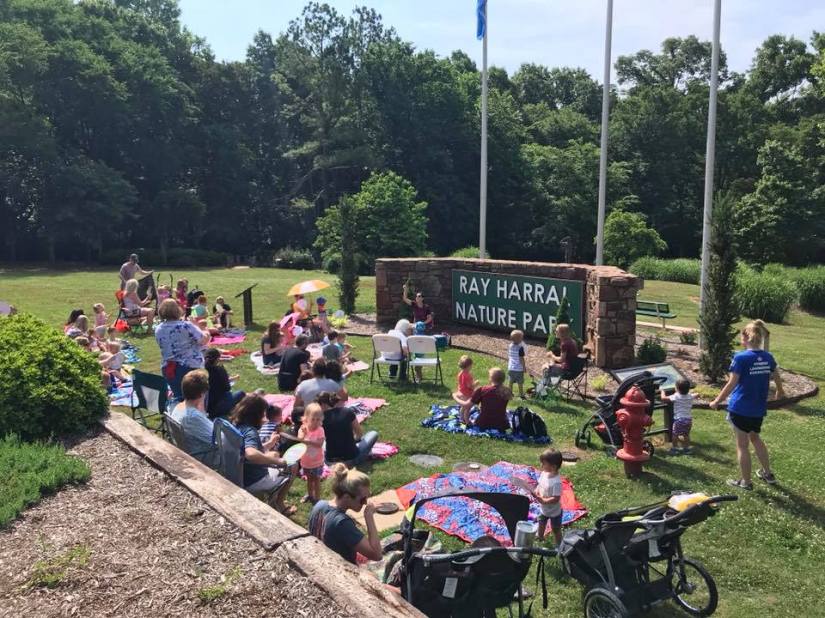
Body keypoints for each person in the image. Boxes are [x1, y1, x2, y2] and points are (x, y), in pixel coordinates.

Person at [710, 320, 784, 491]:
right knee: (755, 438)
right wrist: (780, 391)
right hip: (758, 409)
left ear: (746, 337)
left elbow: (731, 384)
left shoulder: (741, 357)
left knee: (742, 445)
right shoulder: (768, 357)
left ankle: (746, 482)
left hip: (740, 408)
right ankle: (767, 473)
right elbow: (776, 373)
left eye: (741, 337)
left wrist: (716, 401)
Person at [230, 394, 295, 515]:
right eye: (263, 414)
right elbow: (251, 453)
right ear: (257, 415)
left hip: (239, 473)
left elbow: (245, 450)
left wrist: (269, 444)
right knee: (293, 464)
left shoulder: (236, 424)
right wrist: (277, 462)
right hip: (254, 480)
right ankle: (279, 504)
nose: (265, 417)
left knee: (274, 453)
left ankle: (276, 501)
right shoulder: (251, 432)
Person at [308, 464, 382, 564]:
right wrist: (369, 517)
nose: (365, 502)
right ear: (347, 497)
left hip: (322, 560)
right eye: (363, 499)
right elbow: (377, 555)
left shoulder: (319, 505)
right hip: (341, 571)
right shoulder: (342, 523)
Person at [155, 298, 210, 401]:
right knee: (195, 399)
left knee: (179, 397)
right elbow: (203, 340)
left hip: (168, 367)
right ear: (177, 310)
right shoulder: (185, 326)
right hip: (188, 367)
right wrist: (200, 328)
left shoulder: (158, 328)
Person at [170, 369, 219, 468]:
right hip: (205, 456)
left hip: (191, 449)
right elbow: (218, 440)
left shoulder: (178, 407)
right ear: (201, 394)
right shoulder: (192, 416)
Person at [317, 392, 378, 467]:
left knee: (322, 444)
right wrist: (353, 441)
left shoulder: (320, 419)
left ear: (322, 404)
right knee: (373, 433)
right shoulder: (347, 411)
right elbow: (359, 434)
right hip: (352, 459)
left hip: (331, 461)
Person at [531, 449, 564, 547]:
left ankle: (559, 545)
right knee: (541, 523)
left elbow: (556, 498)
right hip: (543, 509)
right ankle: (540, 536)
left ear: (553, 467)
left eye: (544, 464)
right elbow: (540, 484)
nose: (541, 466)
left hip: (554, 512)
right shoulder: (544, 473)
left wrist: (544, 501)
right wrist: (536, 490)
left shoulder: (556, 482)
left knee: (556, 529)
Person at [203, 347, 245, 419]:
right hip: (217, 408)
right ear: (217, 359)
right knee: (241, 393)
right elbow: (227, 388)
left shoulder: (200, 371)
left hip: (203, 407)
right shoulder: (219, 370)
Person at [297, 403, 326, 504]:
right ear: (306, 418)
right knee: (309, 479)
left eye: (318, 419)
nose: (315, 422)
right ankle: (310, 494)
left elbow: (320, 444)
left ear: (321, 419)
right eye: (313, 419)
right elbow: (300, 439)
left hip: (317, 461)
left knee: (317, 480)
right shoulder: (303, 428)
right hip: (306, 461)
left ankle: (317, 498)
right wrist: (304, 434)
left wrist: (309, 441)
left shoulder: (320, 430)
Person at [661, 379, 695, 455]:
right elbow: (695, 394)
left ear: (677, 388)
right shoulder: (690, 396)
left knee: (675, 434)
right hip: (688, 420)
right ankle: (687, 449)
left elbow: (663, 399)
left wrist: (662, 391)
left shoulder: (676, 396)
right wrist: (695, 394)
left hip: (679, 420)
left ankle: (674, 448)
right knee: (686, 435)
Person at [507, 329, 528, 398]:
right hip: (518, 369)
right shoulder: (520, 348)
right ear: (519, 339)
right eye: (521, 337)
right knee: (520, 382)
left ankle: (509, 393)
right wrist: (524, 367)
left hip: (510, 368)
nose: (522, 339)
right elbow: (521, 359)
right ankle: (521, 394)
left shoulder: (510, 346)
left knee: (510, 381)